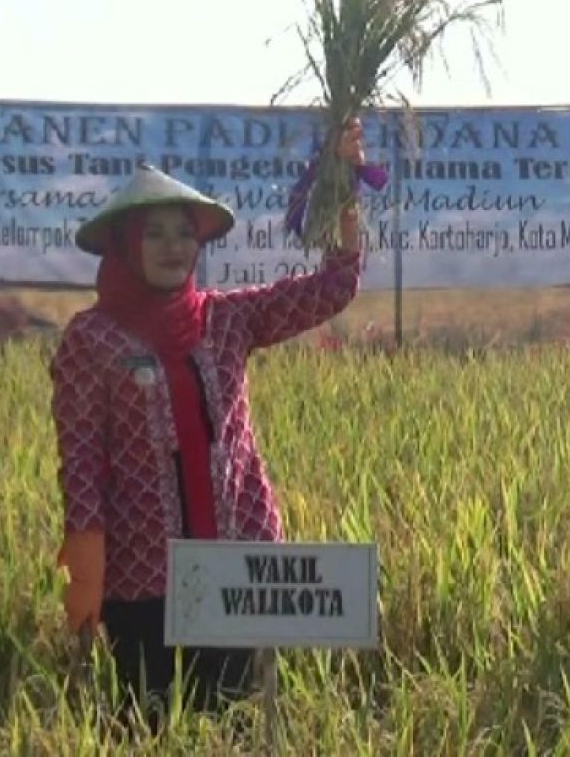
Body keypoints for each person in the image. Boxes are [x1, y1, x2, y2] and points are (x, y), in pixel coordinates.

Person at [52, 126, 368, 729]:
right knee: (144, 726)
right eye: (155, 234)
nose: (174, 247)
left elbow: (332, 288)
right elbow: (82, 462)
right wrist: (86, 568)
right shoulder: (90, 341)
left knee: (229, 723)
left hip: (235, 567)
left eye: (184, 234)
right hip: (140, 576)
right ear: (123, 244)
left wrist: (343, 190)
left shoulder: (227, 319)